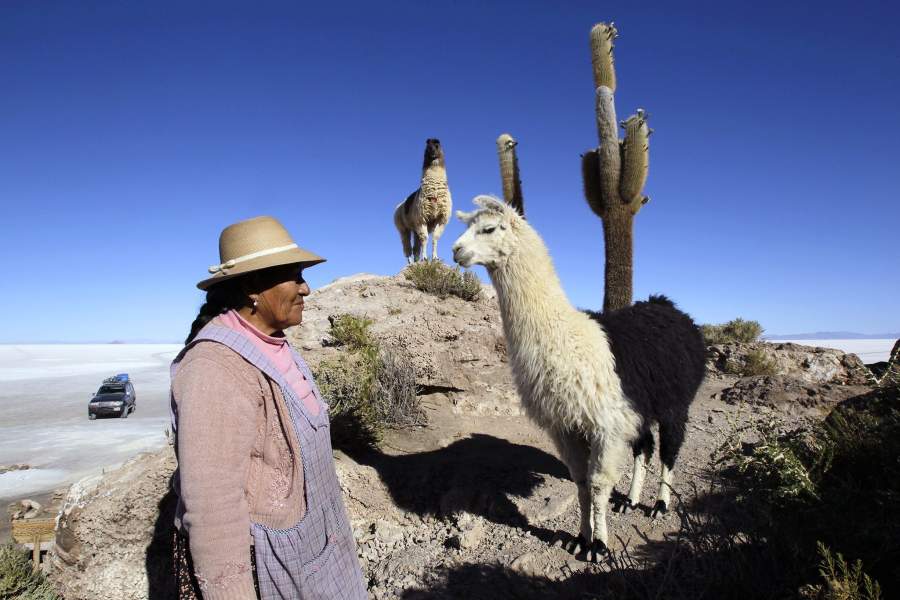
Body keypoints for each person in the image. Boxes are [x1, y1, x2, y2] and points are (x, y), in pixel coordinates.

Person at [170, 215, 367, 600]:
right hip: (264, 570)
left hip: (309, 553)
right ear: (251, 288)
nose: (306, 288)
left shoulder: (273, 344)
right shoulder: (214, 369)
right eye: (294, 276)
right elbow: (212, 510)